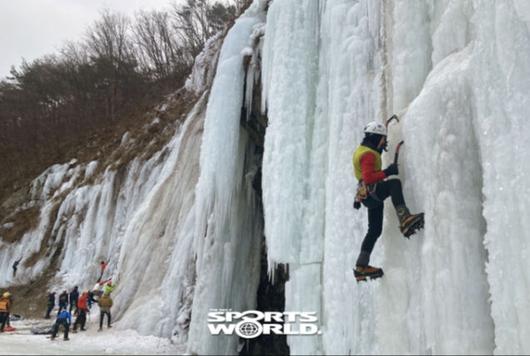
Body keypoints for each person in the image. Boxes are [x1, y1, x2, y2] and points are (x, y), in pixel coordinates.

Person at [352, 121, 424, 281]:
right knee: (394, 184)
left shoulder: (361, 151)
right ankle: (405, 218)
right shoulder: (368, 154)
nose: (384, 143)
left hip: (367, 196)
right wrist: (388, 171)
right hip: (372, 192)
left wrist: (356, 198)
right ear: (376, 137)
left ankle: (361, 265)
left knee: (374, 230)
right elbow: (369, 178)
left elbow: (361, 176)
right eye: (383, 139)